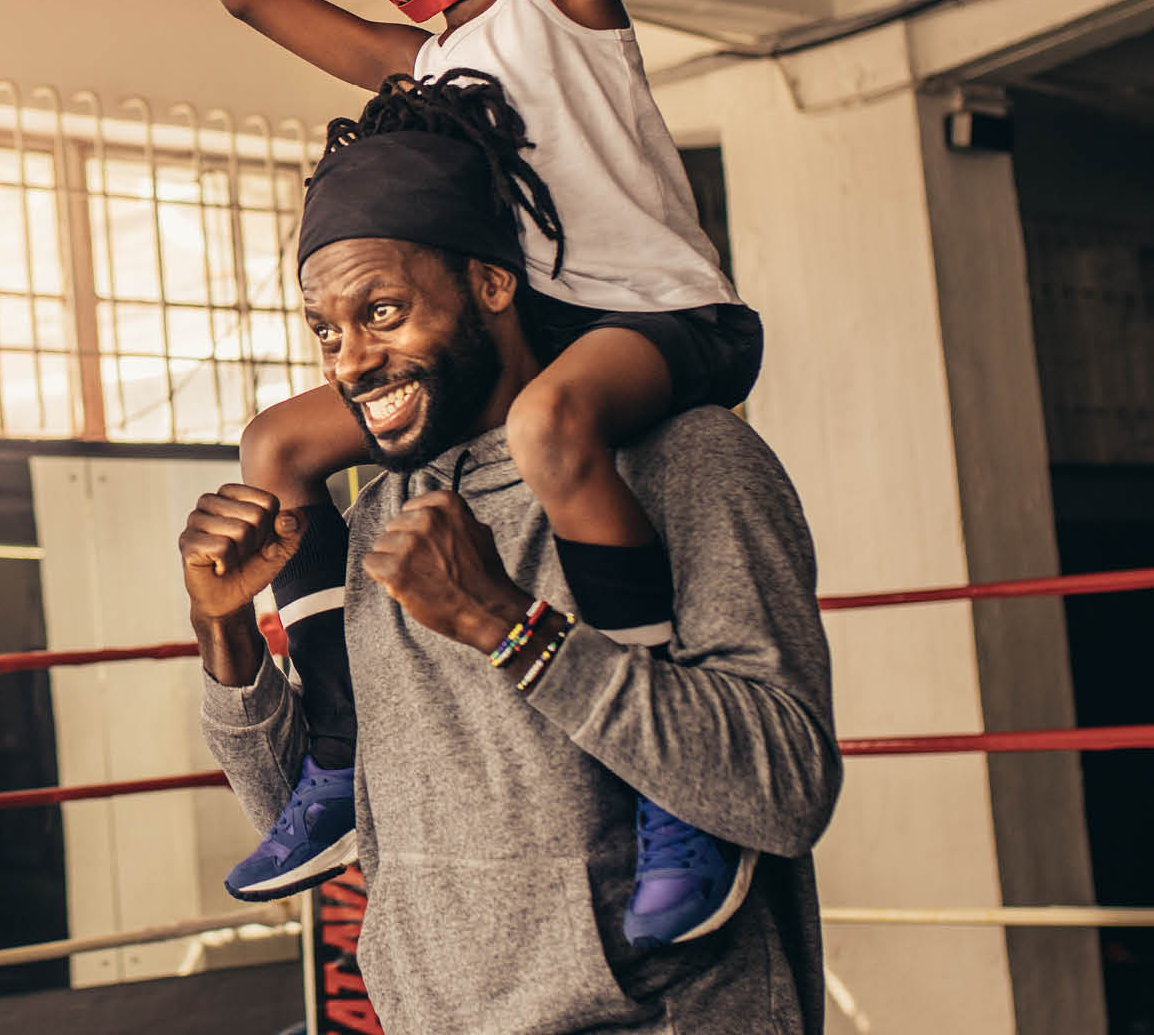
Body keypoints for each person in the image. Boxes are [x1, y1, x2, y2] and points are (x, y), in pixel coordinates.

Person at [22, 0, 764, 944]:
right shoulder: (414, 72)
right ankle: (342, 756)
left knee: (552, 434)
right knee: (276, 447)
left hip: (667, 321)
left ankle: (674, 799)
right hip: (527, 330)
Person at [180, 75, 838, 1032]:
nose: (347, 362)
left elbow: (782, 789)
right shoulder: (379, 513)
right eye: (325, 329)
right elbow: (321, 816)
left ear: (491, 283)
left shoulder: (686, 463)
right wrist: (226, 631)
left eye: (382, 313)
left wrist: (508, 626)